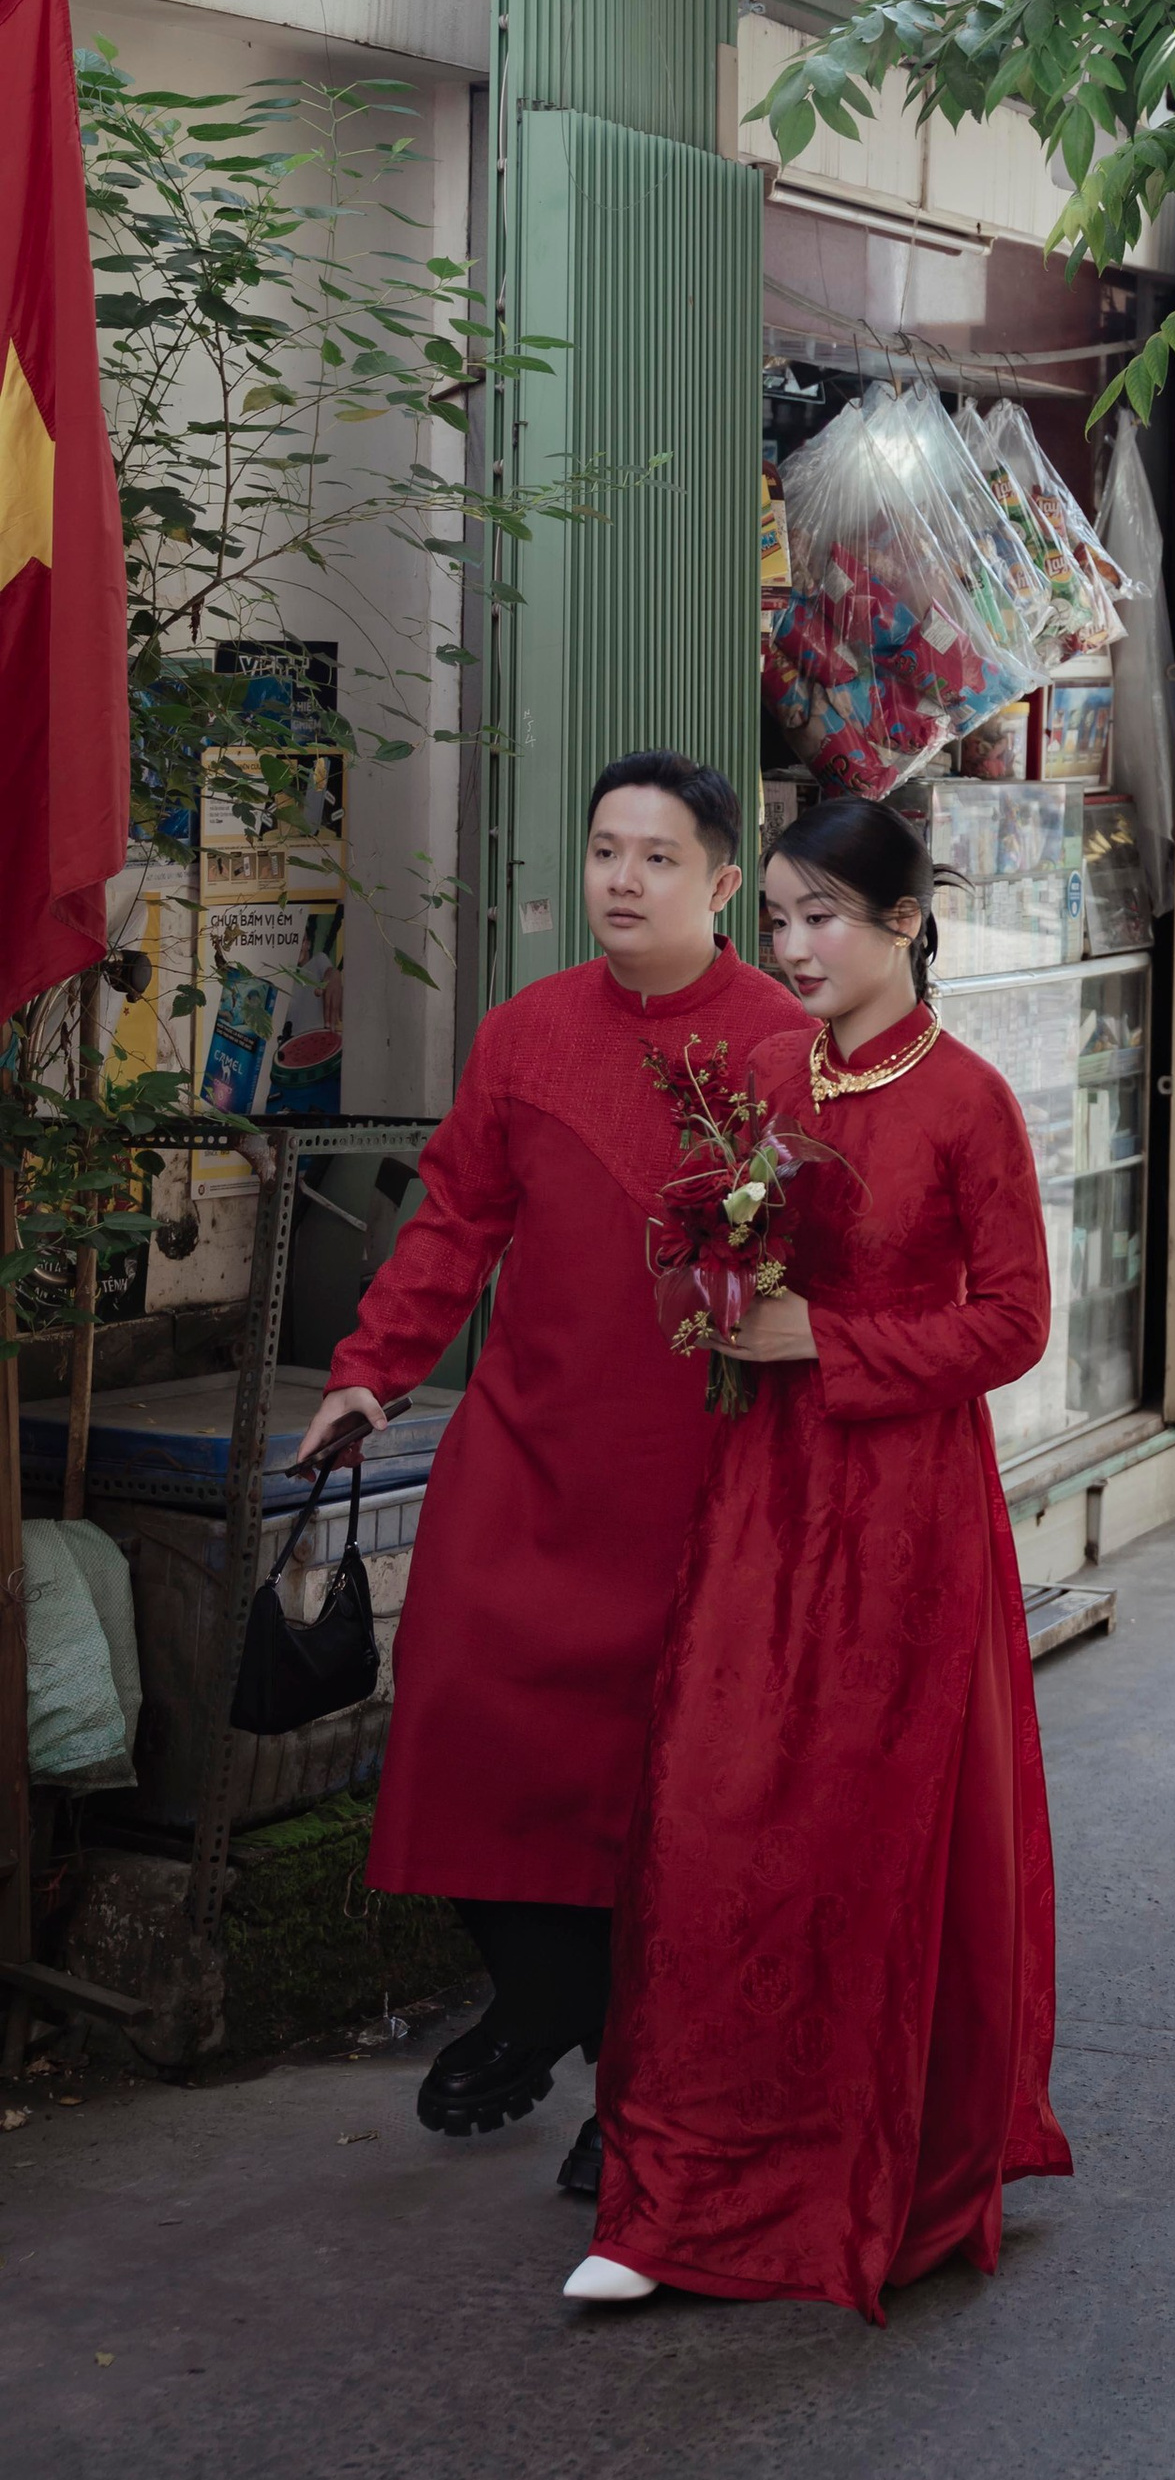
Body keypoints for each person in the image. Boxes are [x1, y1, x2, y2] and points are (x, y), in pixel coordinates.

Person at [564, 793, 1073, 2313]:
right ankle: (672, 2190)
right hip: (763, 1499)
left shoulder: (971, 1101)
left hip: (906, 1511)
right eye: (775, 914)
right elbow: (701, 1245)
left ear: (906, 922)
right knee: (712, 1811)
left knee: (865, 1828)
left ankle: (874, 2167)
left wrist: (823, 1336)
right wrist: (716, 1292)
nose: (788, 943)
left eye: (820, 916)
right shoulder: (762, 1073)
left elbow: (1015, 1322)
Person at [297, 755, 809, 2194]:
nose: (623, 879)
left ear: (722, 882)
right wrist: (368, 1369)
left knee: (665, 1792)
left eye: (658, 856)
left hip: (700, 1479)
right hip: (523, 1458)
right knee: (456, 1717)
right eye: (604, 851)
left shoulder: (780, 1045)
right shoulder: (526, 1034)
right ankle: (551, 2001)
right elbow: (453, 1218)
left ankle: (632, 2086)